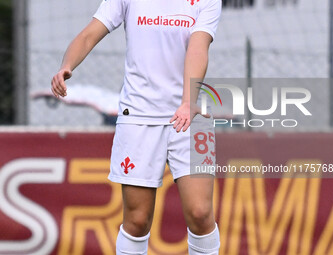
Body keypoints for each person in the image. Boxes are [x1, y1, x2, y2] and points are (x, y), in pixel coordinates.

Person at [51, 0, 222, 254]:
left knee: (200, 213)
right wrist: (67, 65)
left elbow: (198, 48)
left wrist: (188, 101)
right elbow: (89, 34)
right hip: (138, 116)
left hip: (191, 114)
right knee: (137, 220)